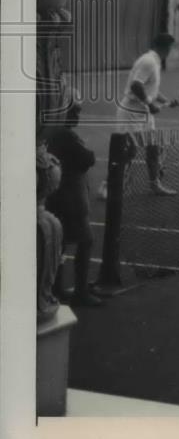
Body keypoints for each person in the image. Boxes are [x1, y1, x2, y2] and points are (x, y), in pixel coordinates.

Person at [99, 32, 179, 198]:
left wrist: (168, 102)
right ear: (164, 48)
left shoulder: (155, 62)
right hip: (131, 111)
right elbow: (136, 85)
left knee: (153, 148)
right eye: (171, 48)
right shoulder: (149, 61)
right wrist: (150, 104)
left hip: (144, 113)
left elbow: (151, 89)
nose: (171, 51)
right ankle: (107, 186)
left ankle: (155, 184)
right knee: (127, 151)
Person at [46, 91, 105, 307]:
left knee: (59, 244)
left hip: (57, 196)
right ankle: (80, 291)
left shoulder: (53, 130)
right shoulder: (66, 135)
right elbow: (87, 158)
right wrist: (86, 150)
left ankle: (57, 288)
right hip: (71, 198)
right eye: (75, 110)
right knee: (85, 241)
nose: (78, 114)